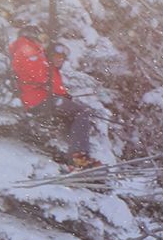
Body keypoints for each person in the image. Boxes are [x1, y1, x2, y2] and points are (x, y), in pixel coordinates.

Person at [9, 25, 99, 169]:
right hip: (39, 99)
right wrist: (62, 95)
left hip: (40, 98)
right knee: (82, 112)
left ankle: (74, 156)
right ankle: (78, 157)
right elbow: (42, 77)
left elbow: (49, 81)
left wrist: (64, 95)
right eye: (39, 37)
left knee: (75, 115)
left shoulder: (30, 52)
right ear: (32, 36)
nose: (40, 40)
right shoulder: (28, 50)